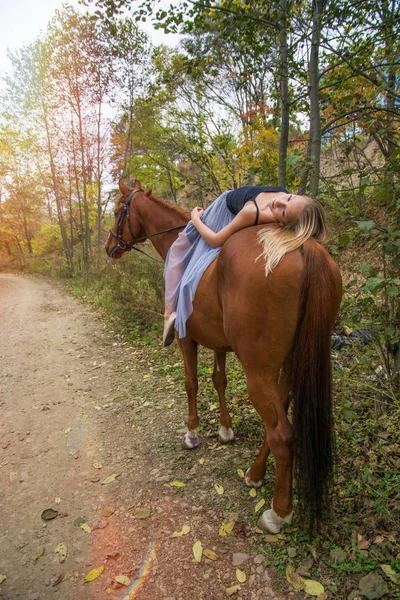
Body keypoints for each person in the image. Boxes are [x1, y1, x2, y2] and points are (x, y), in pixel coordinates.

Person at [163, 186, 328, 346]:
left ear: (282, 225)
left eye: (283, 212)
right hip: (227, 201)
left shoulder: (253, 213)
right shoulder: (282, 195)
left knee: (177, 250)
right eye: (289, 198)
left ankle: (169, 313)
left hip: (222, 211)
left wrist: (195, 219)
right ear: (295, 194)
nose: (279, 202)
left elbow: (215, 241)